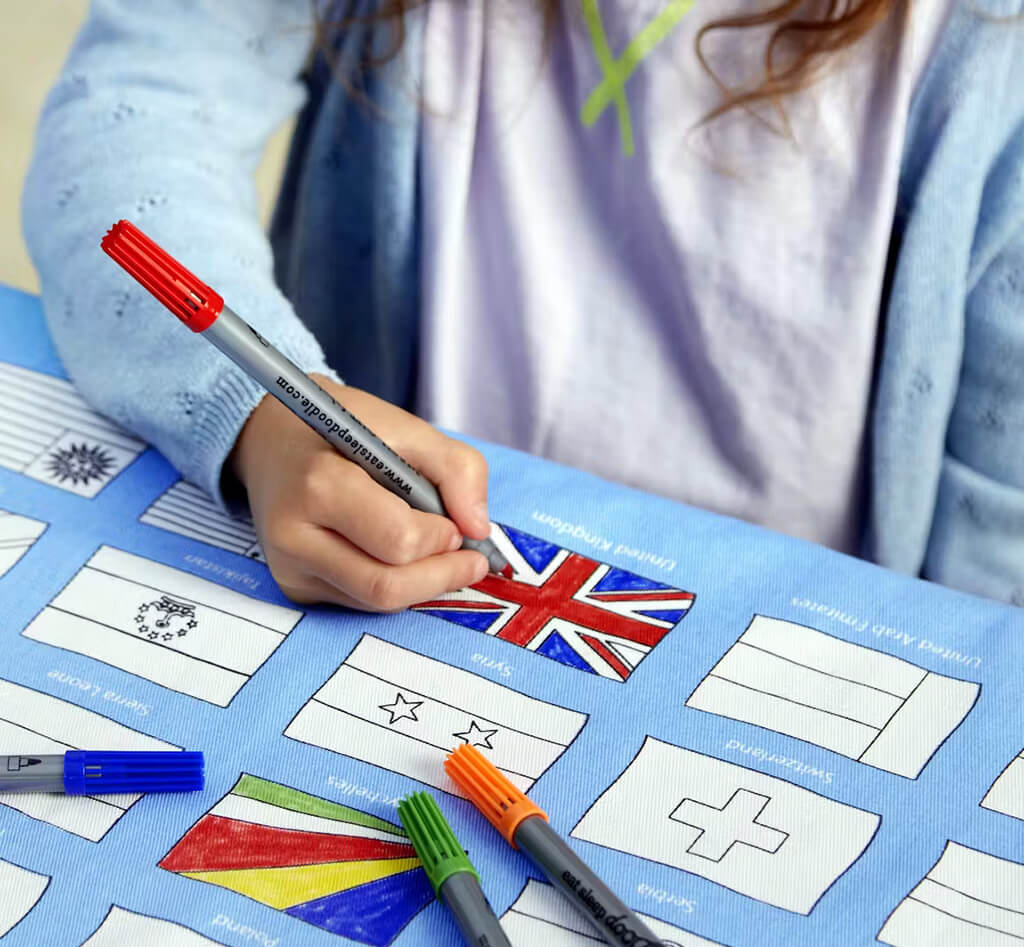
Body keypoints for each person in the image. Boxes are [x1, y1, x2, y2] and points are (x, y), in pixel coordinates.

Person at [22, 0, 1024, 612]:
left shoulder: (988, 52)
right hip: (400, 577)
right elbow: (126, 127)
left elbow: (998, 551)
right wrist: (259, 414)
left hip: (794, 653)